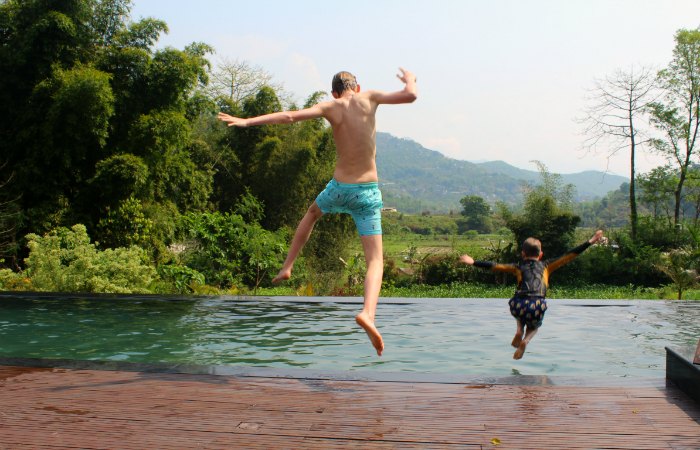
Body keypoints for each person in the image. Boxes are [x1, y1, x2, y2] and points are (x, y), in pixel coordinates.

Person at [218, 68, 418, 356]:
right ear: (357, 87)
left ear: (335, 92)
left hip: (339, 187)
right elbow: (411, 95)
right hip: (367, 192)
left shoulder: (329, 106)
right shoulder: (370, 97)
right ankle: (368, 314)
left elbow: (289, 117)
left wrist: (247, 121)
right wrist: (409, 79)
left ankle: (287, 266)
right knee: (375, 261)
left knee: (312, 213)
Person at [459, 230, 604, 360]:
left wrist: (473, 262)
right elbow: (570, 254)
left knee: (518, 308)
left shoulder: (517, 267)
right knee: (535, 326)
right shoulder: (547, 265)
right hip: (537, 305)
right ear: (540, 255)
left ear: (523, 254)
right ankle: (525, 341)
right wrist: (591, 241)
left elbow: (495, 266)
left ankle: (519, 330)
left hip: (519, 304)